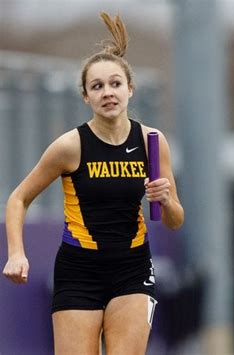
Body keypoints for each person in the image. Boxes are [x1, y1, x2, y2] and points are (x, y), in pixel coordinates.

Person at [2, 12, 184, 354]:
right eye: (97, 86)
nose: (108, 92)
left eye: (115, 83)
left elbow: (175, 220)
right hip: (79, 269)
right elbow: (18, 198)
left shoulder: (152, 143)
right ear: (86, 97)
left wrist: (168, 199)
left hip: (133, 267)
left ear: (130, 89)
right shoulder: (70, 146)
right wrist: (16, 253)